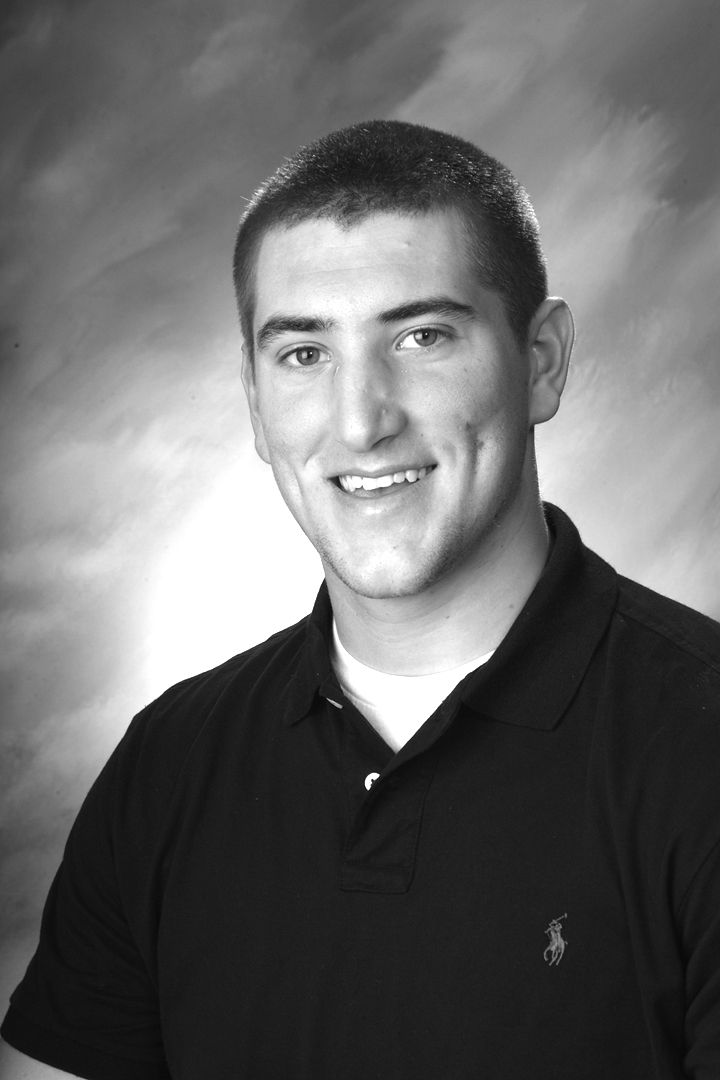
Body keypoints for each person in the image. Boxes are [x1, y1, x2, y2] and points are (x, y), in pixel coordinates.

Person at [1, 119, 719, 1079]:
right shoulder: (168, 764)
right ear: (255, 400)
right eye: (304, 354)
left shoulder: (700, 745)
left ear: (542, 360)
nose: (361, 420)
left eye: (422, 337)